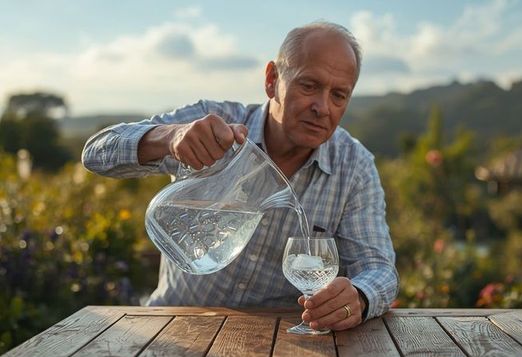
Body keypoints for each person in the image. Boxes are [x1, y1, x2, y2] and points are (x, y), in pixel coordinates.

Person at [82, 21, 398, 331]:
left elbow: (379, 270)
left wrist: (359, 297)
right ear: (272, 79)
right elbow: (96, 154)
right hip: (175, 324)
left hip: (279, 341)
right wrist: (169, 137)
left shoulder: (354, 166)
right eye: (309, 85)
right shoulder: (215, 124)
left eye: (338, 95)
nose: (322, 107)